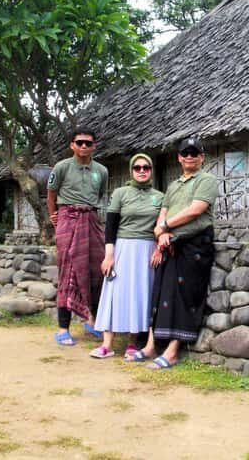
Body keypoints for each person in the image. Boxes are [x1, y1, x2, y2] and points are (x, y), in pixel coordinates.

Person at [129, 137, 219, 369]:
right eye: (185, 153)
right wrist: (161, 235)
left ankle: (172, 351)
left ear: (202, 157)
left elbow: (195, 211)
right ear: (179, 157)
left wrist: (166, 227)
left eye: (194, 152)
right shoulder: (174, 185)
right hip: (170, 244)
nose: (189, 156)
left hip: (195, 245)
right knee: (159, 294)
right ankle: (150, 346)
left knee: (185, 296)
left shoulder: (206, 180)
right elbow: (163, 212)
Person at [89, 153, 163, 359]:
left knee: (140, 294)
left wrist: (158, 248)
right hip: (122, 248)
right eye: (137, 167)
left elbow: (162, 226)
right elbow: (111, 226)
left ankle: (132, 343)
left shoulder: (159, 197)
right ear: (131, 170)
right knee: (114, 292)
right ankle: (106, 345)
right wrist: (109, 255)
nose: (141, 171)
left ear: (151, 170)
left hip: (146, 250)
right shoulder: (120, 193)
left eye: (146, 167)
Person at [47, 127, 109, 346]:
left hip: (91, 219)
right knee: (68, 270)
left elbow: (100, 194)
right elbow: (51, 194)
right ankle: (63, 328)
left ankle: (91, 321)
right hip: (68, 217)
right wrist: (55, 217)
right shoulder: (62, 167)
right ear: (72, 145)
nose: (84, 146)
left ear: (94, 146)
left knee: (96, 270)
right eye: (80, 142)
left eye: (88, 143)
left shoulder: (101, 171)